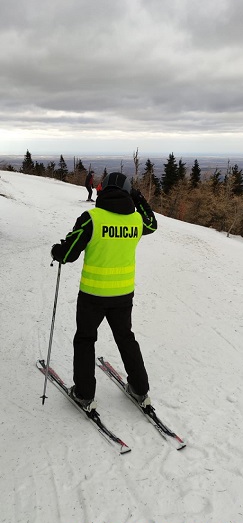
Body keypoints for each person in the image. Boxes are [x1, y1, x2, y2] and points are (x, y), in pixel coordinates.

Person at [51, 172, 158, 412]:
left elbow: (67, 254)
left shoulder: (92, 218)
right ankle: (140, 389)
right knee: (126, 338)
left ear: (103, 189)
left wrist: (57, 251)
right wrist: (138, 197)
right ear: (127, 192)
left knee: (85, 340)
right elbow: (152, 223)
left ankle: (84, 394)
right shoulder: (136, 221)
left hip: (92, 296)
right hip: (123, 295)